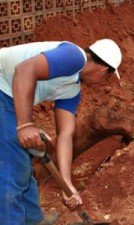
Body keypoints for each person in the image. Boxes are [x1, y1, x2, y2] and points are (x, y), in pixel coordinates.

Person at [0, 39, 122, 225]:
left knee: (22, 164)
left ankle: (33, 220)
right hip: (2, 89)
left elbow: (65, 134)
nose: (102, 83)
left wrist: (67, 184)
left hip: (9, 94)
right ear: (103, 70)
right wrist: (25, 125)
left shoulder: (72, 89)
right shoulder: (73, 57)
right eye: (107, 78)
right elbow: (24, 70)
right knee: (12, 172)